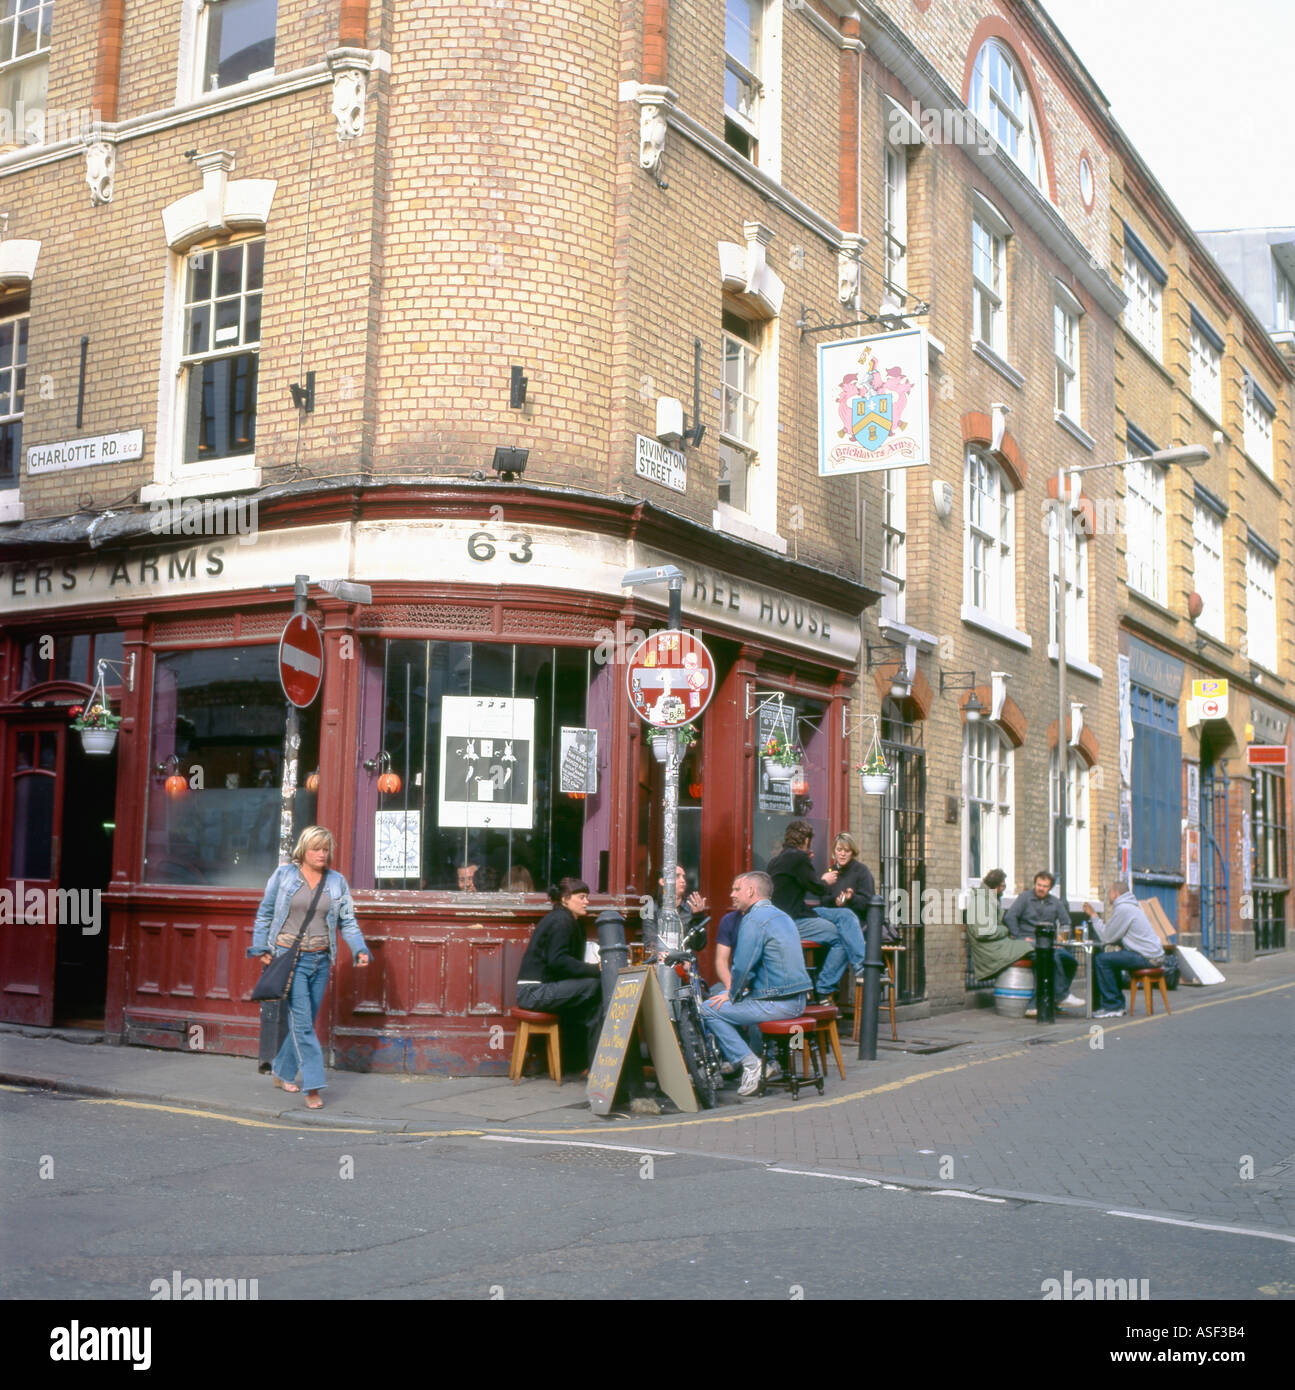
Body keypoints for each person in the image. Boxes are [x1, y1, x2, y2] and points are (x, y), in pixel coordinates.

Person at [250, 826, 371, 1110]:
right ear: (303, 850)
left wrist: (360, 948)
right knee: (304, 1026)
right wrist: (261, 948)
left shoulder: (337, 881)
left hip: (321, 959)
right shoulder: (283, 876)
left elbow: (348, 921)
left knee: (304, 1023)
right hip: (291, 960)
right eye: (316, 848)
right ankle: (314, 1085)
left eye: (326, 849)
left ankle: (281, 1070)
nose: (321, 854)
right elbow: (265, 913)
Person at [700, 872, 812, 1096]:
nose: (732, 895)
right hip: (798, 1001)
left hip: (776, 1003)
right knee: (735, 1004)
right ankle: (765, 1061)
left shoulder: (753, 919)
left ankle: (751, 1064)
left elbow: (742, 966)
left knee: (708, 1009)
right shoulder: (783, 916)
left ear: (751, 891)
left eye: (736, 890)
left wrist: (732, 994)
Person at [767, 820, 863, 1004]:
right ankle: (825, 987)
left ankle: (860, 966)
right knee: (842, 936)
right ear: (805, 840)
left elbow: (798, 883)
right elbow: (817, 888)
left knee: (846, 915)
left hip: (787, 917)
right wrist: (826, 880)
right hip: (793, 921)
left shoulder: (776, 860)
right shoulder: (799, 858)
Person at [515, 877, 603, 1070]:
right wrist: (595, 970)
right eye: (581, 897)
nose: (586, 902)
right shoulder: (561, 921)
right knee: (595, 986)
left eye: (587, 897)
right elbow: (558, 961)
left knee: (592, 993)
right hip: (533, 992)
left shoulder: (569, 920)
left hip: (541, 989)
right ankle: (594, 1065)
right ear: (565, 899)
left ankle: (587, 1063)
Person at [1003, 870, 1084, 1014]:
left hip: (1048, 943)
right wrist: (1019, 936)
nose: (1041, 888)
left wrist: (1061, 939)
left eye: (1045, 886)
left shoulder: (1055, 902)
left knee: (1070, 962)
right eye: (1039, 885)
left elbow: (1066, 922)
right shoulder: (1024, 898)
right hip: (1027, 942)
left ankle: (1050, 1000)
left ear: (1050, 888)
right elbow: (1010, 917)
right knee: (1051, 959)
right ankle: (1061, 996)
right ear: (1035, 884)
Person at [1083, 881, 1166, 1018]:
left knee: (1101, 960)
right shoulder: (1131, 907)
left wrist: (1093, 915)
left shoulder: (1123, 909)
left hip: (1147, 957)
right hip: (1152, 955)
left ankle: (1113, 1006)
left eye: (1109, 892)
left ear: (1115, 893)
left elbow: (1106, 937)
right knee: (1112, 959)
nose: (1108, 896)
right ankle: (1117, 1004)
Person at [964, 868, 1025, 982]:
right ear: (996, 887)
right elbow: (982, 931)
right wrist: (1005, 930)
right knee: (1031, 950)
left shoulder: (991, 899)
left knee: (1031, 948)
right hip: (988, 950)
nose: (1004, 889)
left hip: (995, 945)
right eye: (1003, 886)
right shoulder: (981, 901)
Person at [643, 864, 707, 957]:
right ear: (663, 881)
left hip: (687, 964)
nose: (683, 881)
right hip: (661, 963)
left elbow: (699, 946)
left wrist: (698, 917)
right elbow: (650, 943)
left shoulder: (691, 907)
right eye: (677, 876)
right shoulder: (651, 908)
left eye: (683, 877)